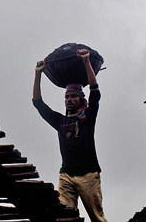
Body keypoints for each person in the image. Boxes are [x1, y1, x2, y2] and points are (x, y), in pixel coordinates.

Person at [32, 49, 108, 222]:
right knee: (64, 217)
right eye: (66, 97)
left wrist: (86, 62)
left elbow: (95, 92)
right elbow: (38, 103)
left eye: (73, 96)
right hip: (66, 174)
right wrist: (38, 74)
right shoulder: (60, 121)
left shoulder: (87, 117)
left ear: (81, 99)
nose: (68, 100)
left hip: (88, 175)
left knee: (97, 217)